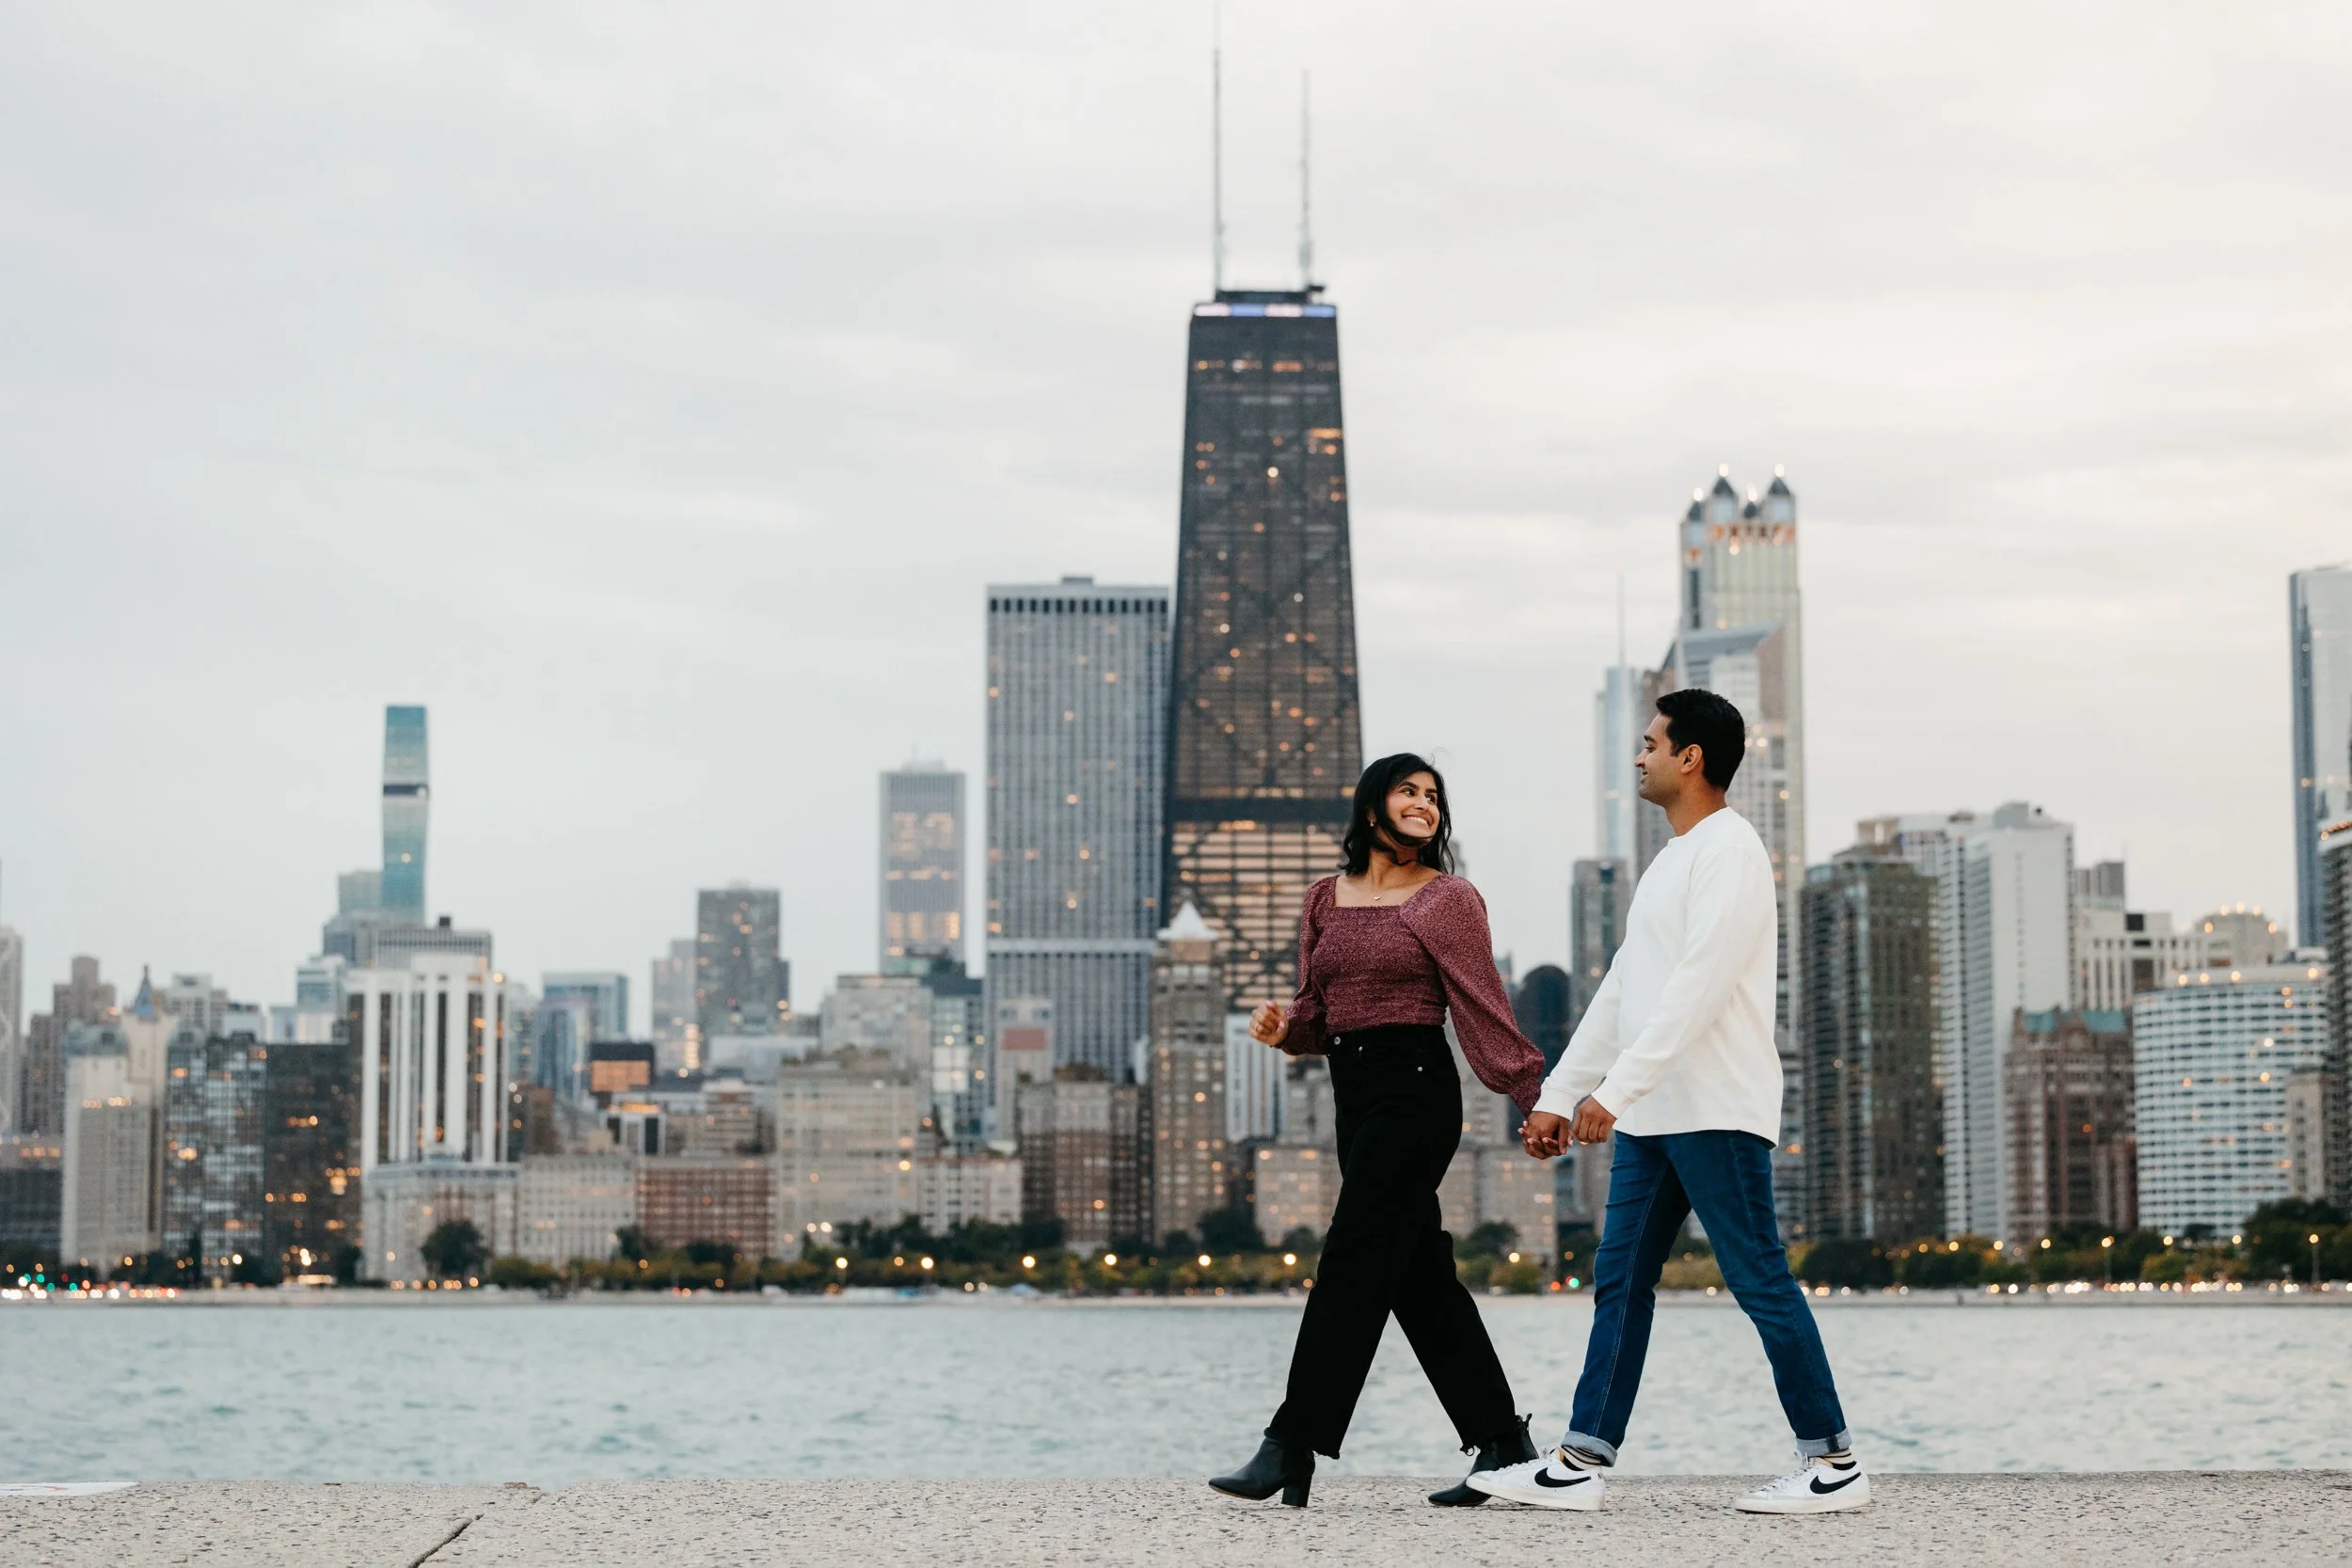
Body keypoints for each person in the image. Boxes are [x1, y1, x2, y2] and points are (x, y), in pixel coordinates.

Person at [1470, 689, 1869, 1515]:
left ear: (1692, 757)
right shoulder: (1673, 859)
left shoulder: (1731, 850)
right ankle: (1581, 1459)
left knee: (1760, 1278)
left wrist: (1613, 1094)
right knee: (1619, 1281)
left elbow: (1697, 988)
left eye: (1652, 742)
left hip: (1717, 1107)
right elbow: (1623, 990)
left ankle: (1832, 1462)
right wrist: (1559, 1095)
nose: (1641, 754)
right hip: (1655, 1116)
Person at [1208, 752, 1549, 1509]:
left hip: (1418, 1090)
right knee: (1415, 1274)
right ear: (1371, 808)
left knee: (1354, 1256)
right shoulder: (1324, 899)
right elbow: (1315, 1012)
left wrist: (1531, 1093)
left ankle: (1290, 1443)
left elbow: (1483, 1006)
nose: (1425, 803)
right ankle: (1503, 1442)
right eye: (1409, 791)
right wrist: (1283, 1026)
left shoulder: (1447, 898)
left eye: (1434, 796)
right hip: (1352, 1095)